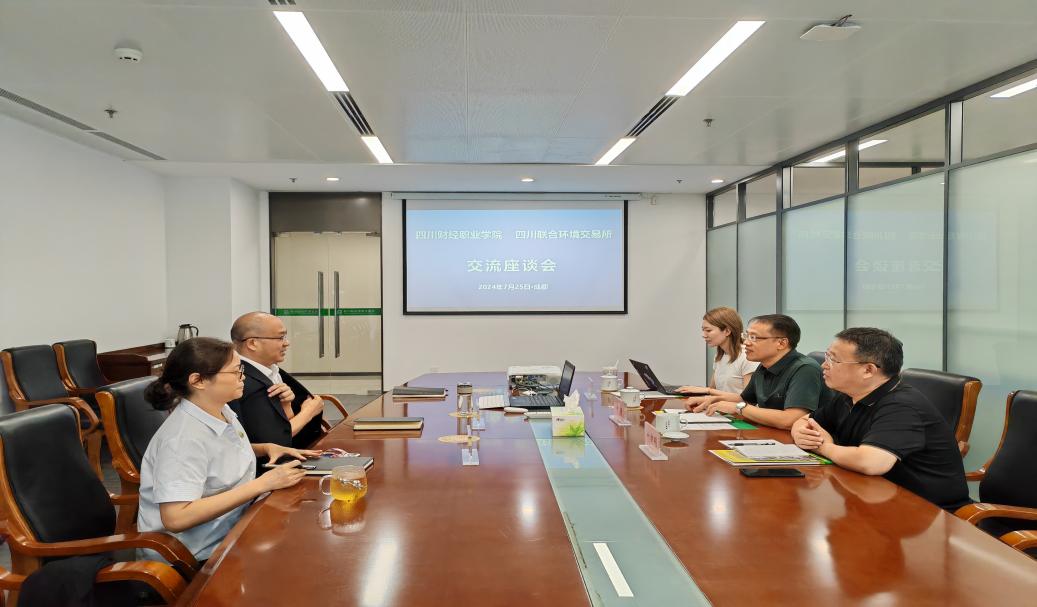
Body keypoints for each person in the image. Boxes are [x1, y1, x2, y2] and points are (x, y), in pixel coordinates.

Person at [137, 337, 316, 561]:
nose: (243, 378)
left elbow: (217, 452)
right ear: (198, 381)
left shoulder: (219, 409)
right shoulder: (181, 440)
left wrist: (265, 448)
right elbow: (176, 518)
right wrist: (262, 484)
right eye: (235, 372)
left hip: (234, 525)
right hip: (196, 552)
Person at [791, 327, 971, 512]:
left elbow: (870, 462)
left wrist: (823, 447)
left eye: (833, 360)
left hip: (931, 513)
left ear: (868, 370)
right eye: (827, 356)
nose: (824, 365)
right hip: (874, 497)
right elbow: (804, 420)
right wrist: (801, 433)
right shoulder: (850, 395)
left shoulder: (902, 406)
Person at [688, 314, 829, 430]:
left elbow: (790, 419)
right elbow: (745, 399)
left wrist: (738, 408)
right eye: (747, 336)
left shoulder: (804, 369)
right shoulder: (764, 365)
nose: (746, 343)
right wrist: (711, 400)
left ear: (781, 343)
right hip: (771, 433)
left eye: (754, 338)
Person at [228, 311, 326, 454]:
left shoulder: (270, 370)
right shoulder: (244, 380)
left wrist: (286, 405)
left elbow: (281, 423)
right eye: (280, 337)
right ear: (252, 343)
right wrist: (309, 411)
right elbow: (275, 441)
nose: (286, 343)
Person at [677, 306, 758, 397]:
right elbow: (713, 390)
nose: (704, 335)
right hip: (719, 406)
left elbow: (749, 399)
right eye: (703, 330)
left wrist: (707, 390)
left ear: (727, 331)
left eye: (708, 330)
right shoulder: (719, 356)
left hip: (736, 407)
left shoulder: (747, 357)